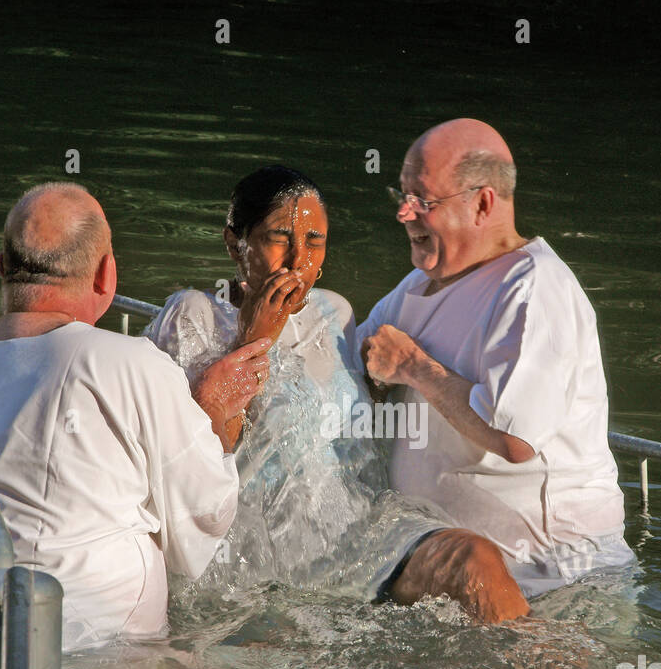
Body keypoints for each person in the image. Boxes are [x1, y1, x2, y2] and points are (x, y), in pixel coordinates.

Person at [144, 165, 529, 622]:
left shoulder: (334, 313)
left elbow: (347, 439)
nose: (297, 261)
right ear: (235, 244)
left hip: (356, 537)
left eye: (314, 242)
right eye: (278, 238)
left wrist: (384, 384)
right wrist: (254, 339)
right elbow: (188, 462)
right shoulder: (194, 317)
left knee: (472, 559)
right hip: (255, 557)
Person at [0, 182, 247, 650]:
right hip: (104, 655)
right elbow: (203, 514)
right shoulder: (126, 362)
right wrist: (213, 420)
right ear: (106, 274)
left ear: (1, 267)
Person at [356, 119, 634, 598]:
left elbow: (514, 437)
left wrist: (412, 369)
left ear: (483, 203)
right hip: (446, 565)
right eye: (400, 195)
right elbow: (355, 367)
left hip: (555, 575)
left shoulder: (535, 288)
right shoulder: (417, 286)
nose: (404, 214)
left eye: (423, 200)